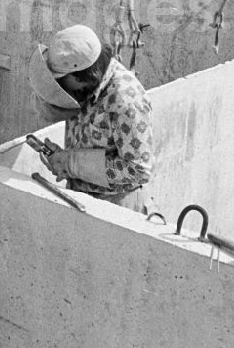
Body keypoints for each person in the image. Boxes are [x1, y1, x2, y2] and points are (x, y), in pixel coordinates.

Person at [28, 24, 154, 212]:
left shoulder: (125, 99)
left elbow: (138, 170)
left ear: (82, 73)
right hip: (82, 199)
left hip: (116, 207)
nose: (60, 86)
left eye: (61, 80)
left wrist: (71, 163)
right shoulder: (85, 89)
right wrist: (62, 158)